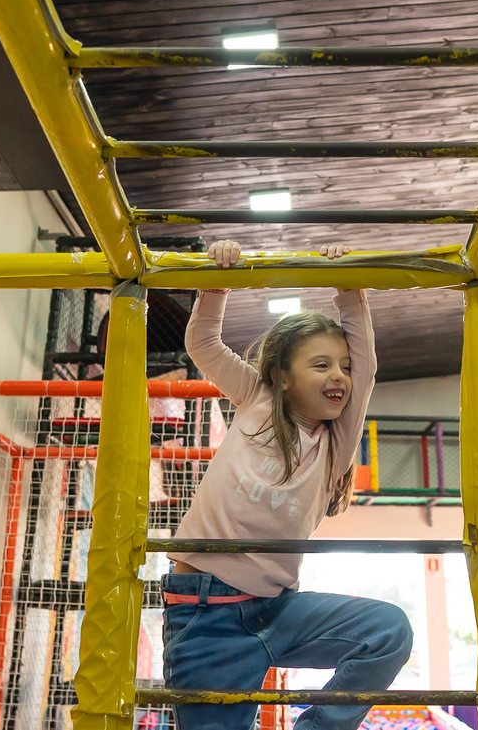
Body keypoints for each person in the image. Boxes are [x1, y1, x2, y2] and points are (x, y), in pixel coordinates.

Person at [161, 240, 413, 730]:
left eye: (343, 366)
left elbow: (368, 369)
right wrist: (216, 285)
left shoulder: (335, 445)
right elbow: (204, 346)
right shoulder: (256, 398)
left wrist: (349, 290)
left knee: (387, 631)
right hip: (205, 614)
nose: (339, 375)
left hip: (277, 611)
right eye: (321, 365)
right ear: (281, 376)